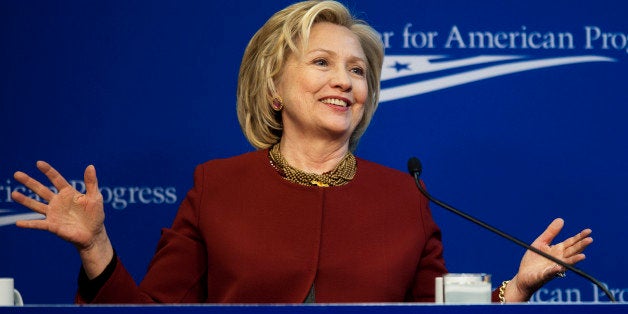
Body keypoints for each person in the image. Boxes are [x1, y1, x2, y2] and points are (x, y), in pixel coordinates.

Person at [11, 0, 592, 304]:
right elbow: (154, 313)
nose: (345, 81)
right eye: (321, 63)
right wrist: (98, 248)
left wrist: (516, 289)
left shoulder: (403, 197)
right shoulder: (218, 186)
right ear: (273, 88)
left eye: (358, 70)